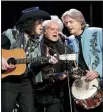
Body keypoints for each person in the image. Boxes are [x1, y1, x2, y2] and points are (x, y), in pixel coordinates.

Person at [1, 7, 52, 112]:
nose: (42, 26)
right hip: (8, 81)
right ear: (30, 23)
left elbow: (33, 62)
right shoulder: (12, 34)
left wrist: (47, 60)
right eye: (39, 22)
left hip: (25, 81)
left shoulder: (37, 42)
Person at [61, 8, 103, 112]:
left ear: (80, 21)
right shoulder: (69, 40)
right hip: (83, 85)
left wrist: (98, 71)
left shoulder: (97, 32)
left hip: (100, 82)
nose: (68, 25)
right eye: (66, 23)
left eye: (71, 21)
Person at [30, 19, 74, 112]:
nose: (55, 32)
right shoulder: (35, 46)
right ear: (44, 31)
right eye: (52, 29)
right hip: (35, 92)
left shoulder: (66, 50)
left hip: (55, 93)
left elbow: (70, 69)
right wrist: (45, 60)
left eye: (58, 30)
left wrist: (65, 75)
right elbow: (31, 64)